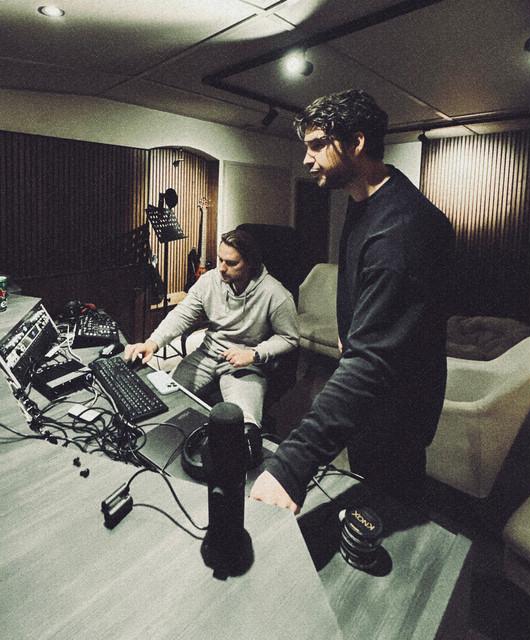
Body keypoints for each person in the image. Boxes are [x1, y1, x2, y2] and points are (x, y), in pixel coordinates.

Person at [250, 89, 455, 512]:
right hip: (372, 397)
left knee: (387, 509)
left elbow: (373, 361)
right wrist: (351, 332)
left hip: (398, 406)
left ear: (357, 142)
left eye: (317, 145)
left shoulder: (402, 230)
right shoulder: (363, 202)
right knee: (363, 487)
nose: (307, 159)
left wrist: (291, 467)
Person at [125, 228, 299, 457]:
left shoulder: (275, 293)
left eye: (231, 263)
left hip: (243, 363)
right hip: (207, 354)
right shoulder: (210, 280)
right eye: (220, 260)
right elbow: (183, 314)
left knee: (243, 429)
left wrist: (254, 354)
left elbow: (289, 337)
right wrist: (153, 343)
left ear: (250, 264)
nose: (222, 268)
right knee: (167, 401)